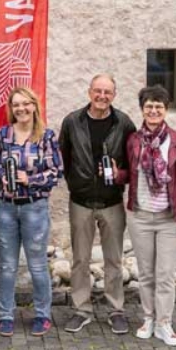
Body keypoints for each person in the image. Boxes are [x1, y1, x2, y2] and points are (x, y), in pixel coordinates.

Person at [58, 73, 137, 334]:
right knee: (80, 259)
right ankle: (82, 309)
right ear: (89, 92)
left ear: (114, 95)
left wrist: (119, 174)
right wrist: (75, 183)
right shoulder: (72, 121)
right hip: (80, 201)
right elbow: (63, 158)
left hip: (111, 201)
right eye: (98, 91)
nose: (102, 96)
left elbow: (132, 163)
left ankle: (116, 309)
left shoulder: (123, 123)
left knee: (113, 260)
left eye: (108, 92)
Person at [124, 85, 176, 345]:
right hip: (140, 216)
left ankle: (164, 323)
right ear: (142, 109)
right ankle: (148, 318)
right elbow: (129, 173)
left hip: (168, 218)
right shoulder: (133, 140)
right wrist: (113, 174)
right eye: (149, 106)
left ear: (165, 110)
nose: (153, 111)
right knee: (145, 274)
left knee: (165, 275)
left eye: (158, 106)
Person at [0, 86, 63, 337]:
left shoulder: (46, 136)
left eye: (25, 103)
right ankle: (6, 315)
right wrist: (2, 177)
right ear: (11, 109)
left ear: (34, 106)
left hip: (35, 207)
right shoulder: (3, 135)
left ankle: (42, 315)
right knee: (7, 265)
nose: (21, 108)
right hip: (5, 208)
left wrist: (28, 179)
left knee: (38, 265)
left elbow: (56, 172)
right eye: (16, 105)